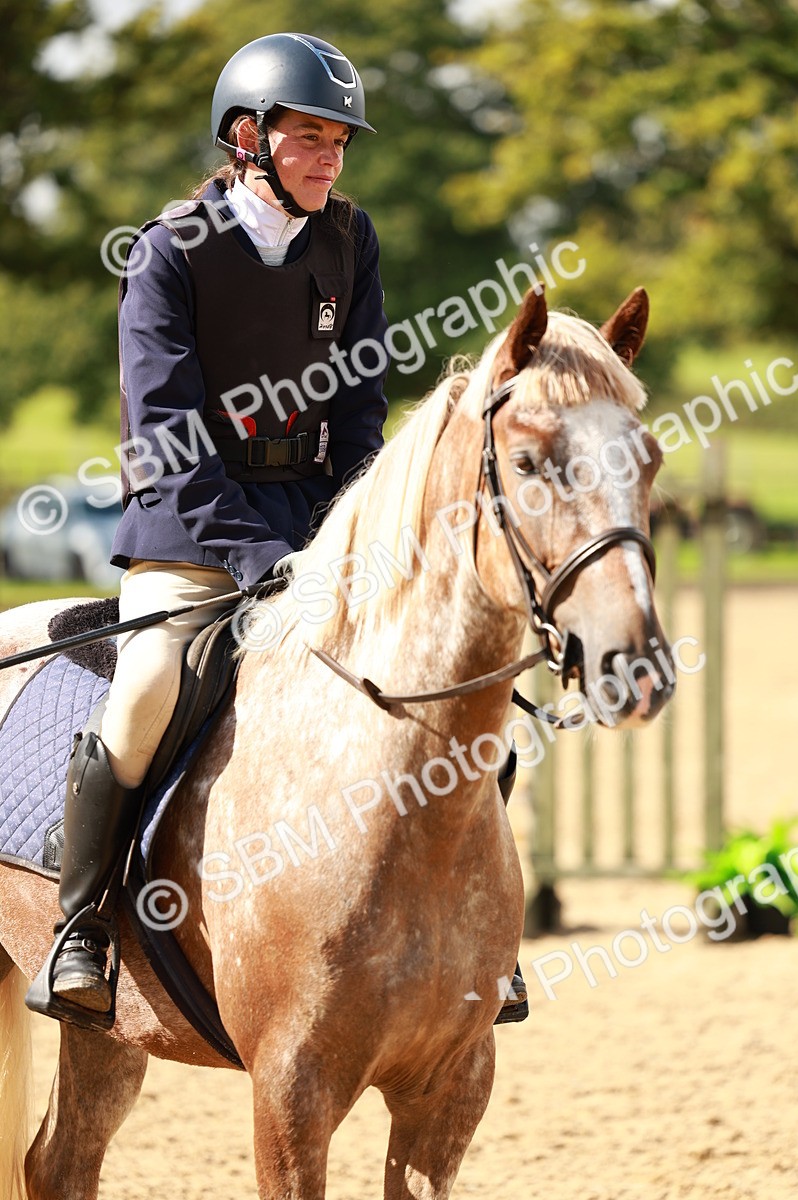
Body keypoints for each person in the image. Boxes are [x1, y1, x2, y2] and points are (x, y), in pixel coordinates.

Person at [27, 32, 389, 1026]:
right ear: (247, 138)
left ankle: (456, 933)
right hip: (188, 526)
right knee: (147, 689)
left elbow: (359, 411)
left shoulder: (347, 242)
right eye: (308, 137)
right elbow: (166, 436)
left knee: (429, 669)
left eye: (338, 142)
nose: (328, 157)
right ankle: (84, 924)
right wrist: (260, 558)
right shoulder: (167, 252)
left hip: (313, 526)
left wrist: (341, 535)